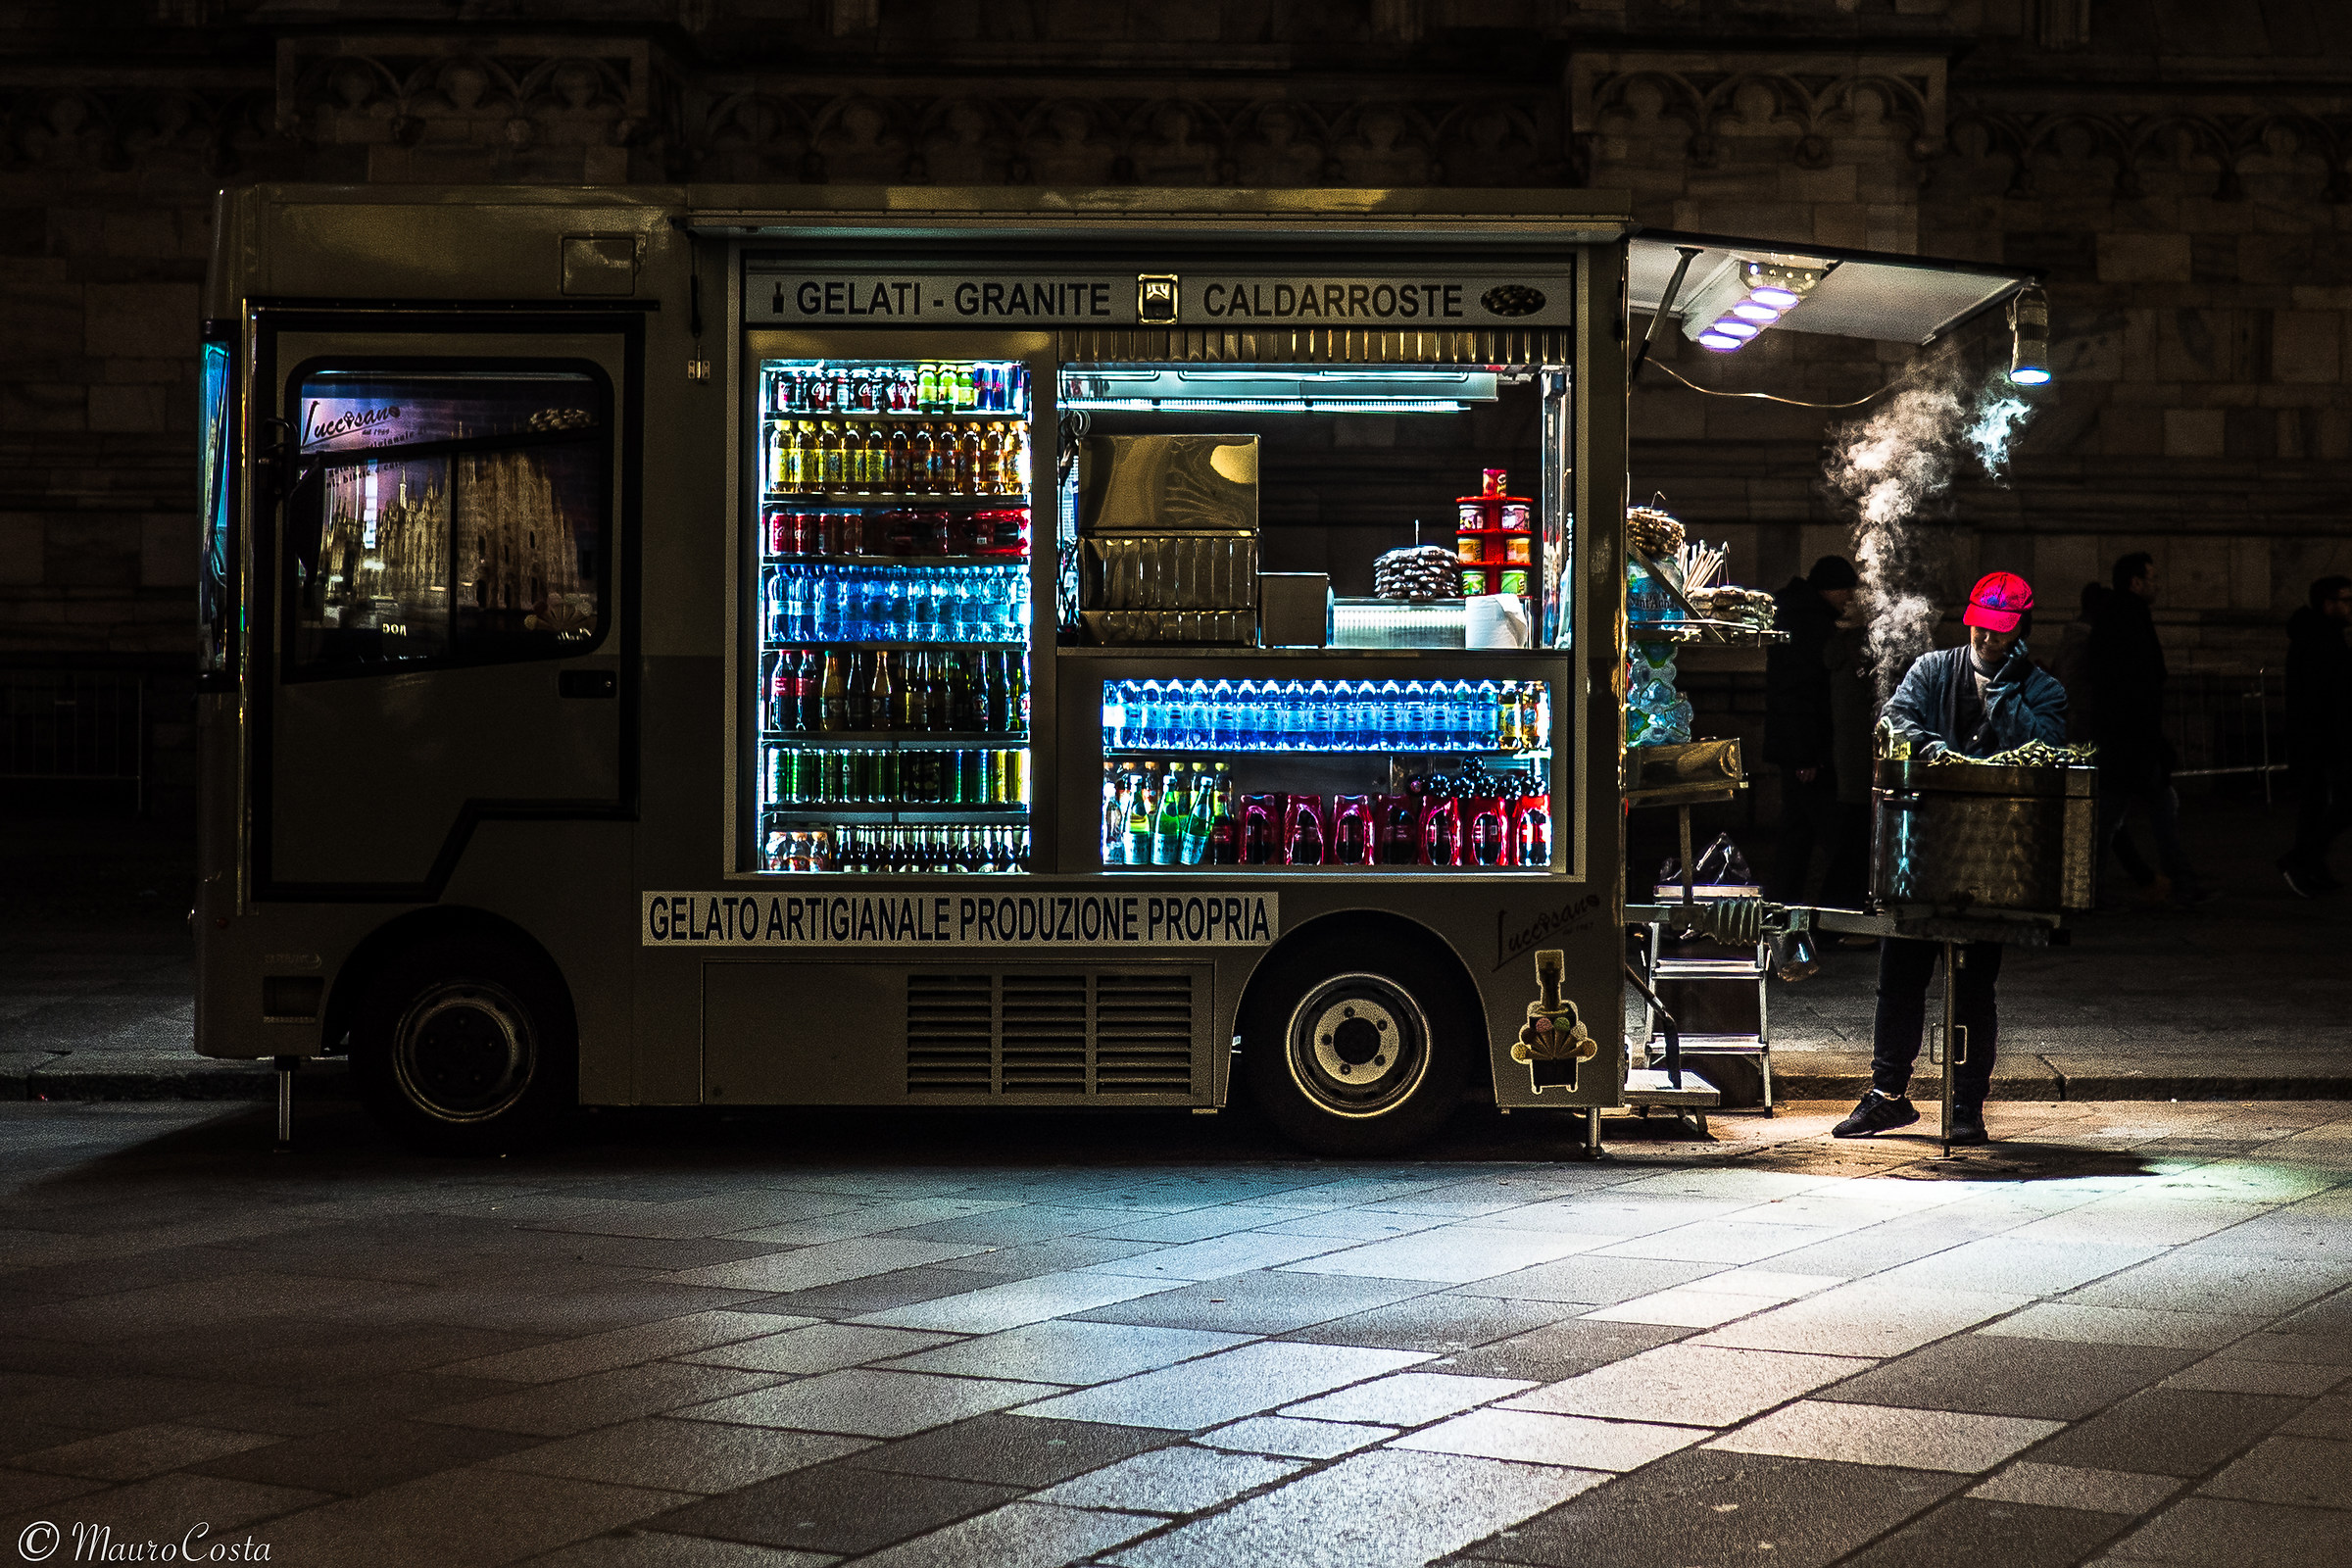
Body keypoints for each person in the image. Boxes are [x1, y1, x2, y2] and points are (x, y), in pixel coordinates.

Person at [1834, 570, 2066, 1147]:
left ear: (2022, 633)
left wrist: (2004, 695)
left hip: (1992, 860)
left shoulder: (2042, 689)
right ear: (1968, 621)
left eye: (2001, 633)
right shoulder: (1933, 670)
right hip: (1920, 852)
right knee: (1900, 977)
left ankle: (1966, 1104)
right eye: (1981, 629)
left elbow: (2045, 749)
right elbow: (1898, 722)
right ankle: (1888, 1094)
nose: (1988, 641)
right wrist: (1939, 754)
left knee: (1973, 983)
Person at [2089, 552, 2208, 906]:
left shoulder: (2116, 617)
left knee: (2136, 810)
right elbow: (2140, 684)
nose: (2157, 585)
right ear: (2136, 582)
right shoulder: (2129, 617)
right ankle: (2088, 889)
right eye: (2152, 578)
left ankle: (2178, 880)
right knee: (2116, 814)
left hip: (2126, 739)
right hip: (2131, 740)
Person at [1764, 556, 1858, 916]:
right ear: (1829, 589)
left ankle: (1780, 907)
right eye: (1846, 589)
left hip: (1798, 748)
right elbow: (1802, 694)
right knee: (1831, 834)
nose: (1850, 597)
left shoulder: (1798, 616)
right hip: (1807, 752)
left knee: (1797, 832)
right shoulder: (1811, 625)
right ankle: (1838, 913)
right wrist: (1807, 755)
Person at [2278, 574, 2352, 897]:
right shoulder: (2320, 641)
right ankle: (2299, 860)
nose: (2350, 607)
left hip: (2319, 738)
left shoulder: (2324, 636)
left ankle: (2310, 864)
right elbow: (2327, 697)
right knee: (2340, 804)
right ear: (2328, 604)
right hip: (2320, 739)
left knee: (2316, 806)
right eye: (2346, 600)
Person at [1821, 612, 1877, 913]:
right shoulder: (1861, 656)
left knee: (1848, 839)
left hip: (1846, 759)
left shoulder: (1837, 652)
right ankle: (1842, 910)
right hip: (1862, 762)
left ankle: (1837, 909)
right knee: (1854, 842)